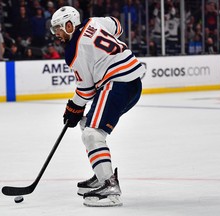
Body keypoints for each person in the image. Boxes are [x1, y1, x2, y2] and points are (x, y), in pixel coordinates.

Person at [50, 6, 146, 207]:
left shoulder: (74, 50)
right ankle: (101, 173)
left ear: (70, 25)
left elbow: (86, 90)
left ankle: (109, 186)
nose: (56, 33)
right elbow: (117, 26)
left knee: (92, 134)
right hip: (133, 82)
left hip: (117, 83)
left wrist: (72, 109)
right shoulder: (94, 22)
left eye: (58, 28)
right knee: (87, 125)